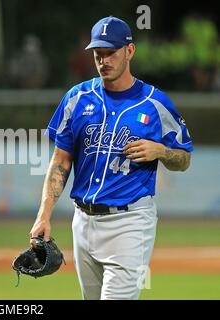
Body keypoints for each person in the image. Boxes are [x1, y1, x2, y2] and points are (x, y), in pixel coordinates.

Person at [29, 16, 193, 300]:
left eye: (110, 53)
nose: (104, 61)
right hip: (82, 222)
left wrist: (162, 152)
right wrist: (43, 215)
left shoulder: (155, 103)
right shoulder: (77, 98)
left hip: (129, 222)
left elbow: (184, 158)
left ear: (129, 51)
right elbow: (61, 160)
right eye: (98, 54)